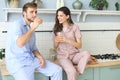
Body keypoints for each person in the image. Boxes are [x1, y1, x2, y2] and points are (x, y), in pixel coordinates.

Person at [5, 2, 62, 80]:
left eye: (36, 12)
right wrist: (33, 28)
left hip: (31, 59)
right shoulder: (17, 25)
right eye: (31, 12)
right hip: (18, 63)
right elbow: (20, 43)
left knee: (57, 70)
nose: (35, 15)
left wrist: (40, 57)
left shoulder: (30, 28)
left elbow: (33, 48)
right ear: (24, 13)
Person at [53, 6, 90, 80]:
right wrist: (56, 41)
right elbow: (55, 47)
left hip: (74, 55)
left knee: (86, 53)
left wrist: (67, 40)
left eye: (61, 15)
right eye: (58, 15)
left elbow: (79, 45)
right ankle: (74, 72)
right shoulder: (56, 29)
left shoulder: (75, 27)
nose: (58, 17)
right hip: (63, 57)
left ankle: (78, 71)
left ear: (67, 16)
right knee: (72, 71)